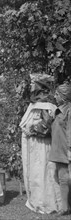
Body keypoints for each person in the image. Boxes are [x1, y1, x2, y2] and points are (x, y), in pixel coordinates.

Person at [19, 74, 61, 214]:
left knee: (43, 170)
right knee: (36, 171)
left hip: (42, 145)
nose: (31, 86)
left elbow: (47, 126)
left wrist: (31, 129)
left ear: (40, 86)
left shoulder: (45, 105)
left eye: (33, 83)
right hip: (34, 144)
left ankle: (45, 202)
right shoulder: (36, 104)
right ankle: (37, 200)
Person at [49, 82, 71, 216]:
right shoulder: (57, 111)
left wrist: (70, 149)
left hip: (67, 149)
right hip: (58, 149)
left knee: (67, 179)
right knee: (63, 179)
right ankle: (65, 208)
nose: (55, 96)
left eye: (57, 94)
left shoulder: (69, 111)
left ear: (63, 96)